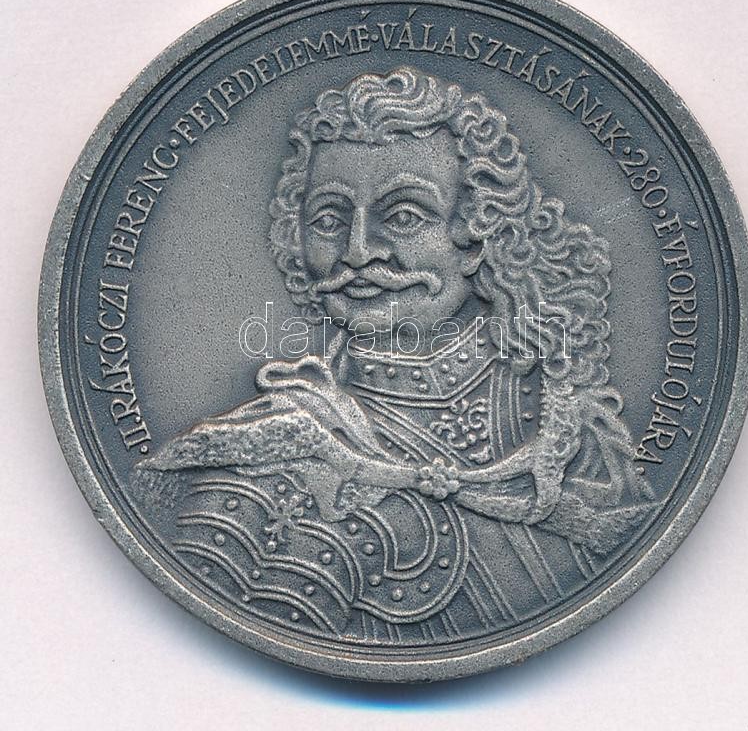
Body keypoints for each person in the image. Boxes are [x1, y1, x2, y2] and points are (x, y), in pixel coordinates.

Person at [142, 67, 654, 642]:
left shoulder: (572, 427)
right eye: (329, 219)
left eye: (404, 216)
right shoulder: (268, 460)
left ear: (480, 235)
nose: (358, 251)